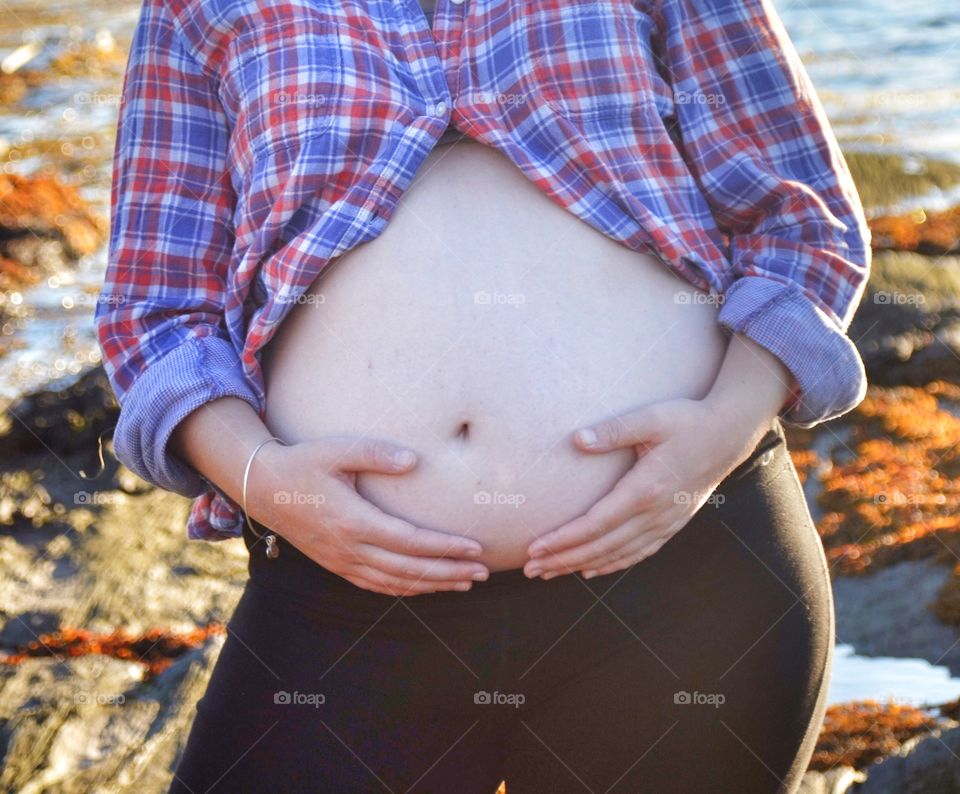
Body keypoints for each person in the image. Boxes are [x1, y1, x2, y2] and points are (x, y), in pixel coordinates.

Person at [95, 0, 870, 790]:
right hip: (346, 595)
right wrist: (264, 478)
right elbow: (157, 310)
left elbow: (802, 223)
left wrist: (721, 429)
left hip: (686, 572)